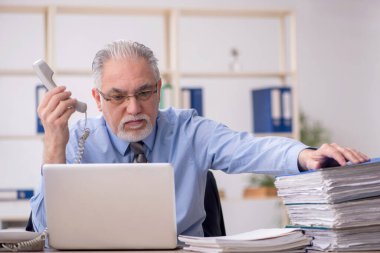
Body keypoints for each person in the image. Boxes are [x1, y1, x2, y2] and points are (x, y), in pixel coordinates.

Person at [30, 40, 369, 236]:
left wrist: (304, 155)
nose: (134, 108)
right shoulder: (75, 139)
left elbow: (249, 147)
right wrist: (54, 146)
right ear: (97, 98)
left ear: (159, 89)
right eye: (117, 96)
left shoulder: (188, 130)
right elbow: (45, 232)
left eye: (145, 92)